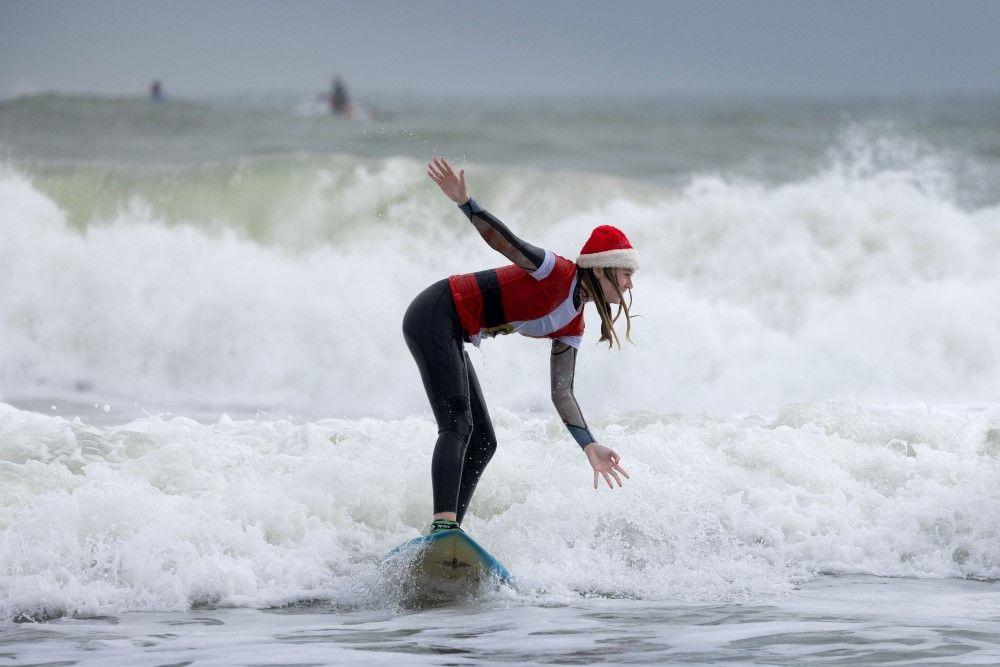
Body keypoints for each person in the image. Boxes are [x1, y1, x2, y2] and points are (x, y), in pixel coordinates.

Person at [404, 156, 636, 534]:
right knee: (459, 425)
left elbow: (562, 392)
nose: (629, 284)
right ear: (600, 267)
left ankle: (449, 535)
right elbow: (506, 243)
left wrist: (588, 445)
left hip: (454, 331)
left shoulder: (574, 322)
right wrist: (465, 203)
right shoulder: (555, 271)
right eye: (626, 273)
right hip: (434, 313)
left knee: (484, 442)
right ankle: (442, 527)